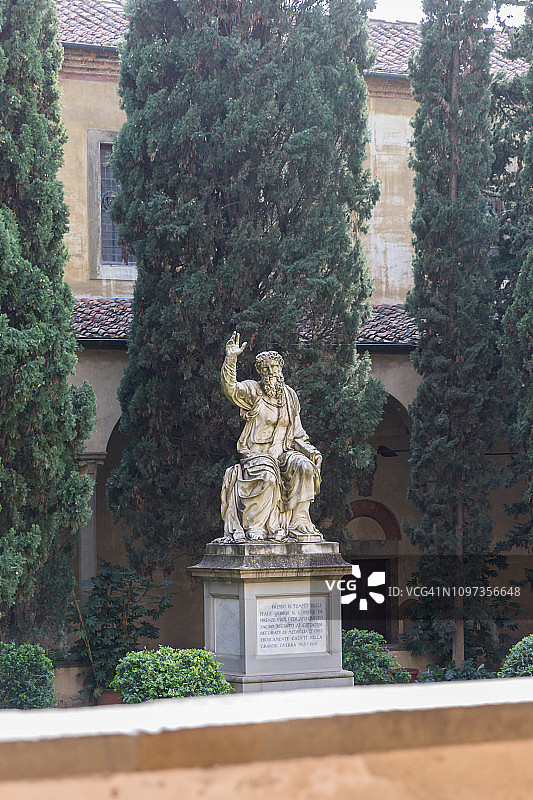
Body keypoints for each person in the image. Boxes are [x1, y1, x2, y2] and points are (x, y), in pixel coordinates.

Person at [220, 331, 323, 542]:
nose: (271, 372)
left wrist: (311, 451)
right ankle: (256, 525)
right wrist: (231, 359)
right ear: (260, 372)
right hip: (257, 455)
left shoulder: (290, 396)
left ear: (281, 369)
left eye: (274, 368)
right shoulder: (253, 391)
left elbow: (297, 434)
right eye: (265, 369)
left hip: (284, 454)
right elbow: (230, 389)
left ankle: (299, 522)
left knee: (305, 467)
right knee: (267, 476)